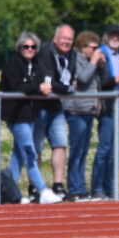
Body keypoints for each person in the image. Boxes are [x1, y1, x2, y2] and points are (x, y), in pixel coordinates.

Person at [0, 32, 61, 204]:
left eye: (33, 47)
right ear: (20, 47)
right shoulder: (13, 64)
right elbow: (17, 86)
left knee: (18, 155)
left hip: (30, 115)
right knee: (29, 152)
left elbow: (45, 82)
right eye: (26, 46)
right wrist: (38, 87)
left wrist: (64, 88)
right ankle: (42, 189)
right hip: (17, 115)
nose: (30, 50)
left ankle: (8, 191)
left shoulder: (35, 64)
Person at [63, 30, 111, 201]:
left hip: (89, 110)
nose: (96, 51)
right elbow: (83, 78)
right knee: (76, 150)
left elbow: (102, 81)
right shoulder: (75, 59)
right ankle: (74, 188)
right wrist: (93, 62)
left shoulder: (91, 61)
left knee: (83, 151)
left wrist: (102, 65)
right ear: (83, 47)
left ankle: (81, 188)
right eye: (93, 48)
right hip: (77, 110)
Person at [91, 23, 119, 199]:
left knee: (117, 149)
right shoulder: (101, 54)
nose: (115, 38)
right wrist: (116, 78)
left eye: (118, 35)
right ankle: (97, 187)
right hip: (109, 108)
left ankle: (112, 187)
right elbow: (100, 82)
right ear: (106, 36)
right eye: (112, 35)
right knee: (104, 148)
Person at [35, 24, 75, 197]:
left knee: (60, 143)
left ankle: (58, 184)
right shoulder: (45, 52)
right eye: (64, 38)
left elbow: (71, 78)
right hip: (39, 105)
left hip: (56, 105)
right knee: (37, 147)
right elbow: (49, 81)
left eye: (70, 39)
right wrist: (67, 89)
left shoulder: (72, 54)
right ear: (55, 38)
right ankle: (35, 185)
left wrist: (65, 87)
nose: (67, 42)